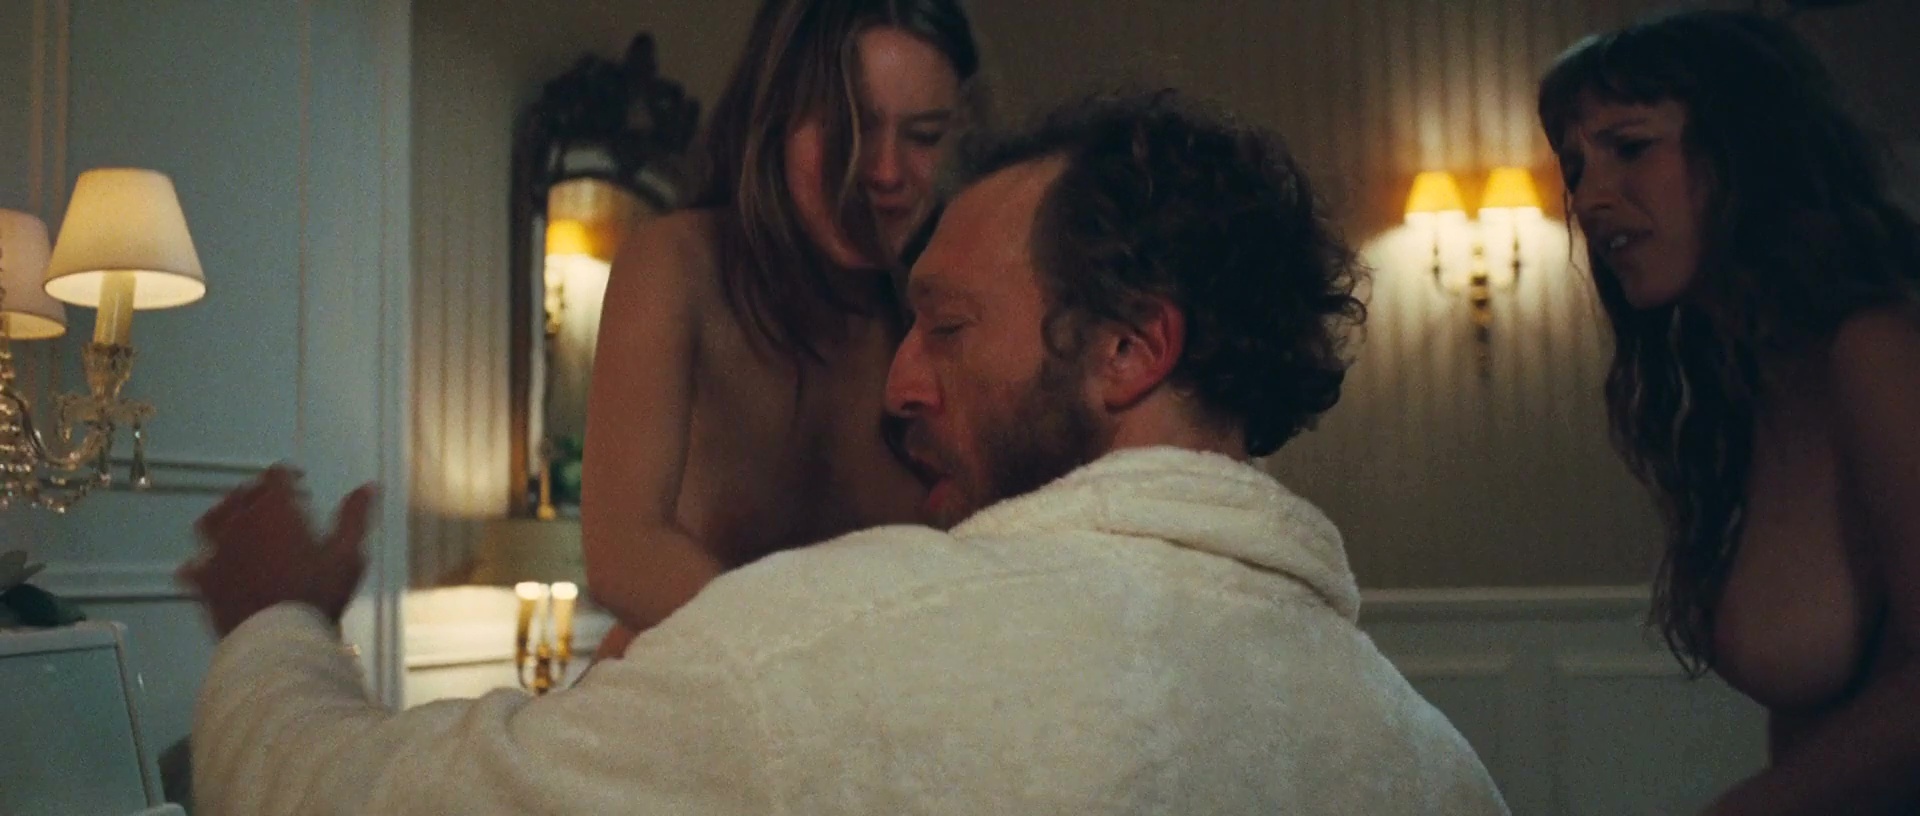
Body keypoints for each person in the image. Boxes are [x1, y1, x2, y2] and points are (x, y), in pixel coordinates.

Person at [181, 90, 1508, 814]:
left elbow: (351, 801)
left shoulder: (832, 654)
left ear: (1127, 348)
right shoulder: (1430, 759)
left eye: (948, 327)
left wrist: (277, 624)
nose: (901, 381)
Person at [1538, 9, 1920, 814]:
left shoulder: (1873, 349)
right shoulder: (1753, 373)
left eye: (1630, 148)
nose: (1590, 198)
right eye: (1575, 167)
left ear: (1746, 148)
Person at [582, 0, 980, 653]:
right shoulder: (680, 264)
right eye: (850, 128)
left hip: (872, 707)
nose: (885, 172)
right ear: (775, 120)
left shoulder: (944, 315)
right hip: (679, 697)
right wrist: (829, 667)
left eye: (924, 137)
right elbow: (622, 555)